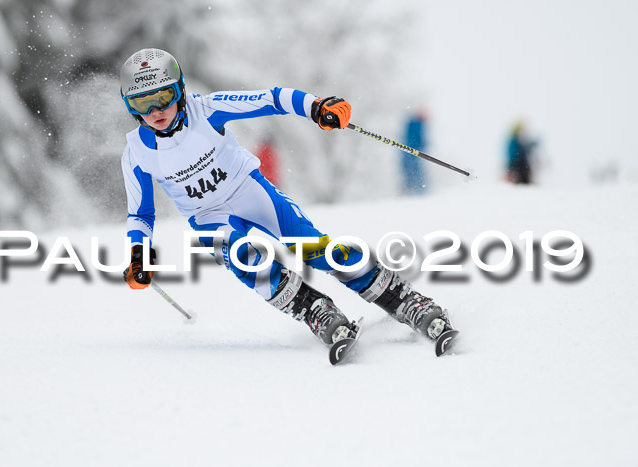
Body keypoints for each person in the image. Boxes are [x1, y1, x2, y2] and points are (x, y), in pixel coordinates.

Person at [119, 48, 453, 349]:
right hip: (208, 217)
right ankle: (316, 311)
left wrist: (317, 107)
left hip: (249, 191)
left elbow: (272, 98)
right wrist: (139, 256)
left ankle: (405, 300)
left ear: (179, 90)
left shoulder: (206, 110)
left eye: (163, 97)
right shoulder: (136, 152)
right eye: (141, 103)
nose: (155, 111)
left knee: (315, 249)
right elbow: (140, 215)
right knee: (245, 260)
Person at [401, 110, 428, 194]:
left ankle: (415, 191)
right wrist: (422, 145)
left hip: (412, 154)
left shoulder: (416, 123)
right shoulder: (416, 123)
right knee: (413, 173)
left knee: (413, 174)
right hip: (411, 153)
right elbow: (416, 139)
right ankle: (414, 191)